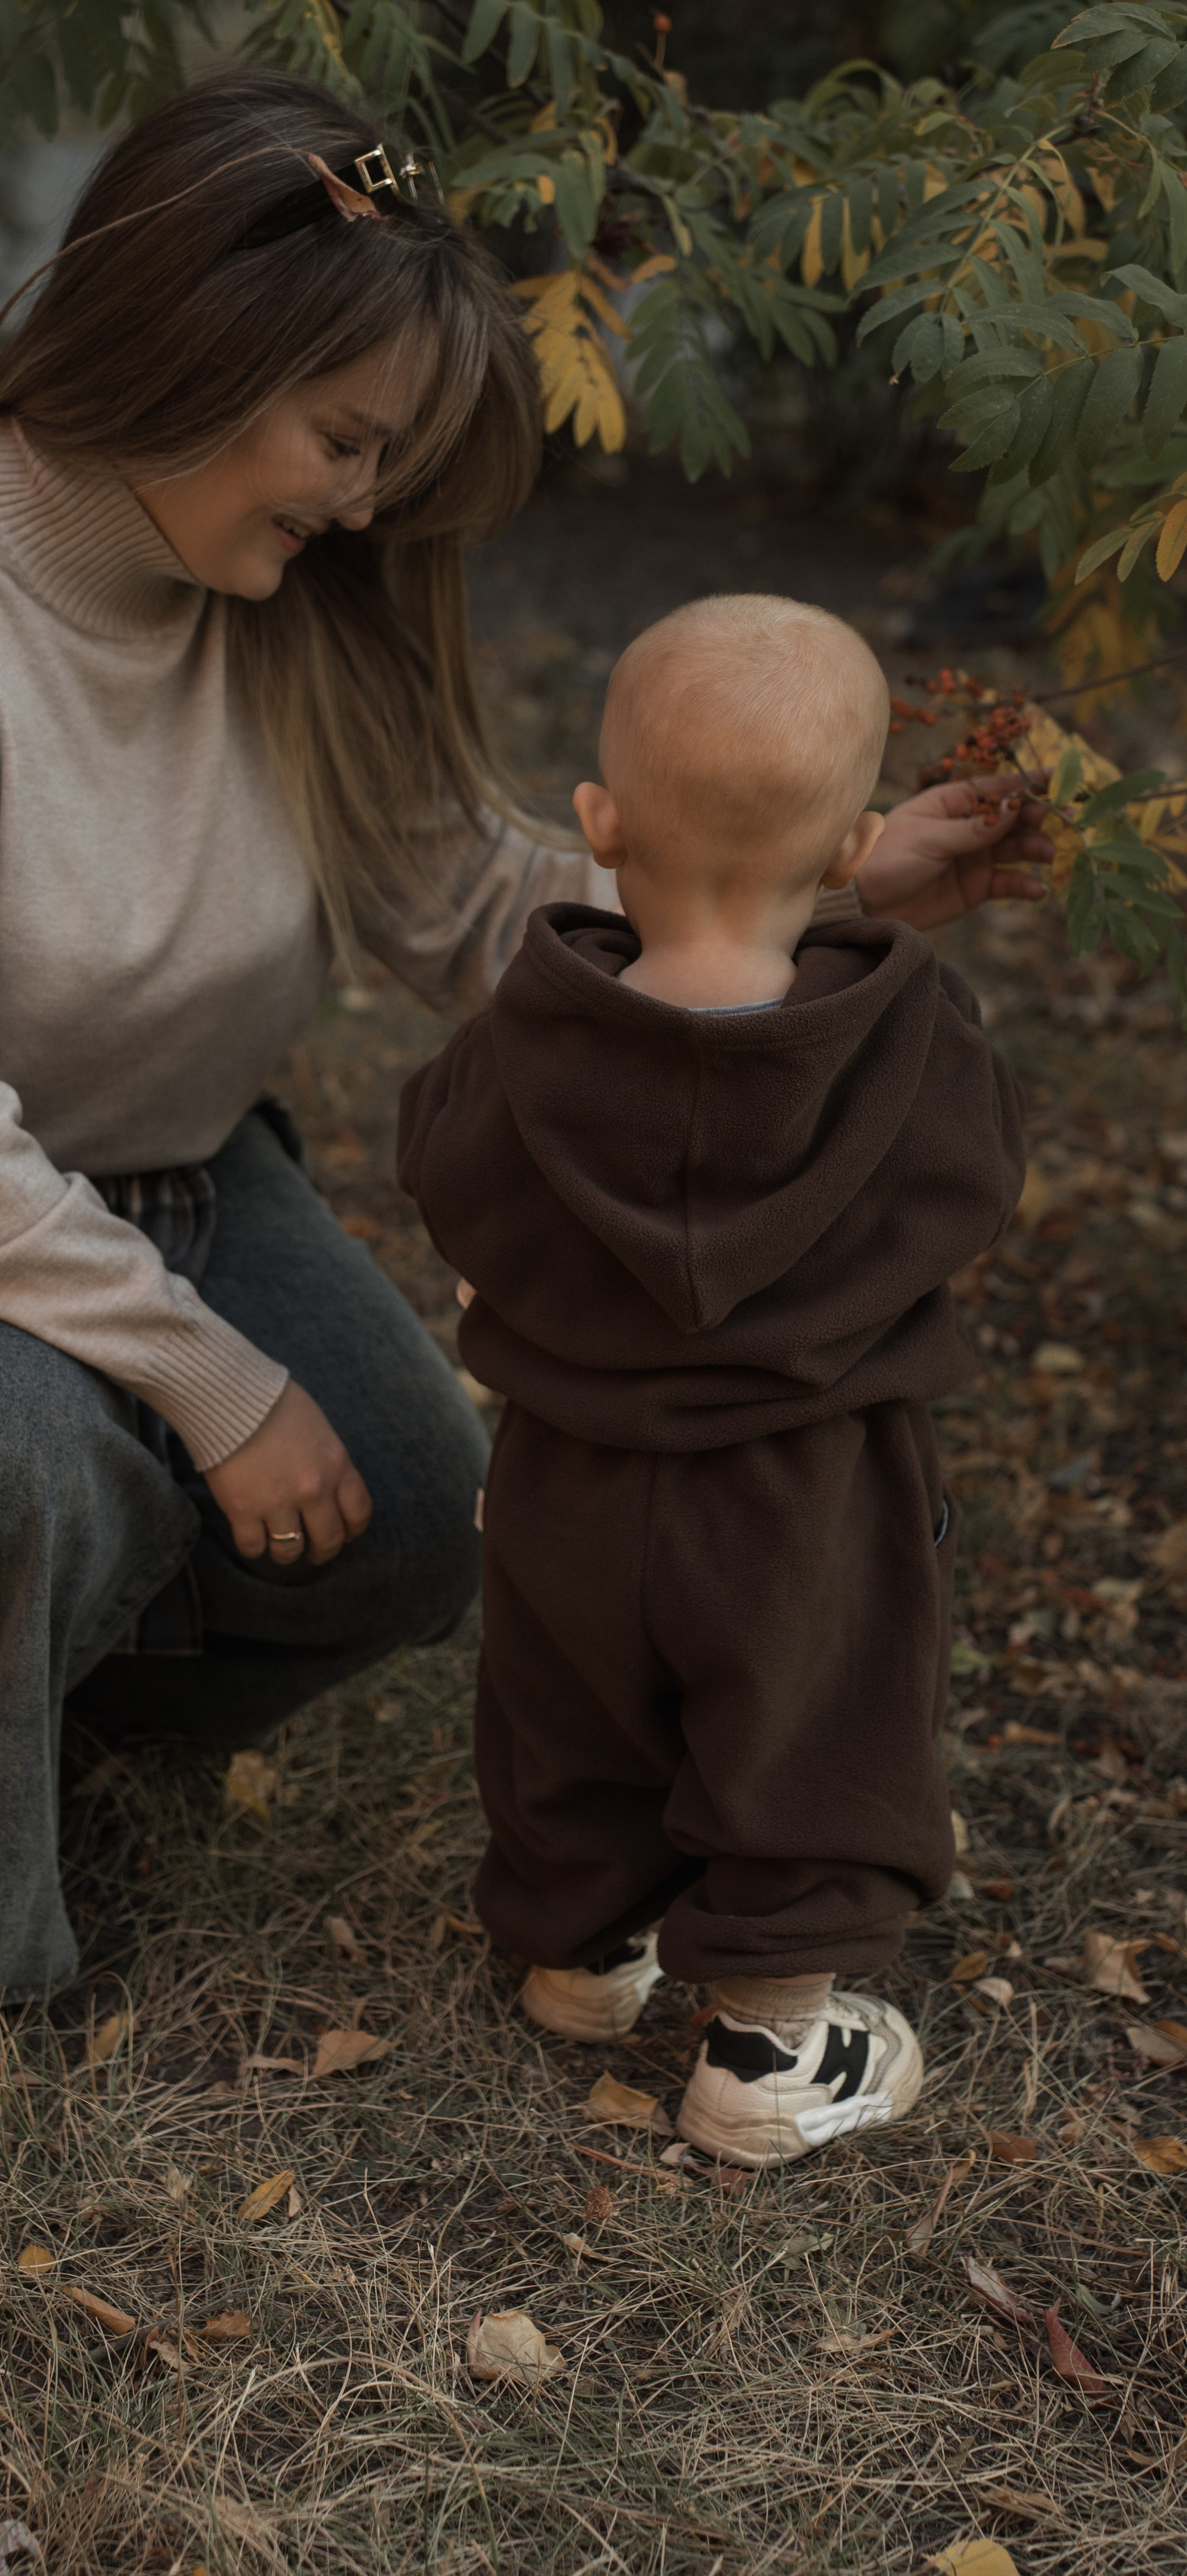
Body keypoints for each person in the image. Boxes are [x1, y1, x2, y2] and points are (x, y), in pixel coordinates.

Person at [0, 71, 1050, 2093]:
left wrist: (833, 871)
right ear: (198, 339)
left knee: (422, 1522)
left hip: (164, 1180)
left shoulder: (280, 603)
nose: (361, 501)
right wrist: (214, 1382)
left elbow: (480, 912)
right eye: (345, 440)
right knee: (13, 1458)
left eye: (389, 461)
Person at [397, 594, 1026, 2168]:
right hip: (801, 1483)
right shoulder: (907, 1036)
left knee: (569, 1704)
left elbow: (444, 1165)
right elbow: (971, 1179)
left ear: (597, 826)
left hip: (567, 1473)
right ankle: (762, 2046)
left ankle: (582, 1956)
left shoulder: (525, 1033)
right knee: (807, 1720)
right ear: (846, 852)